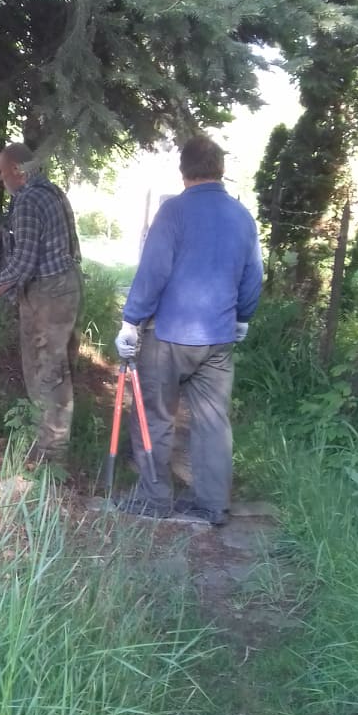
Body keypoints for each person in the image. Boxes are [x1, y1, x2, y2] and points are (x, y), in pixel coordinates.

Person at [113, 135, 263, 524]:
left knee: (155, 415)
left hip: (168, 335)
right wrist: (242, 317)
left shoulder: (174, 212)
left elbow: (154, 271)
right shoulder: (242, 216)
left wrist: (131, 321)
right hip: (218, 338)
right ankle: (213, 505)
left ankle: (154, 499)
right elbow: (253, 277)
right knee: (213, 422)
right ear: (221, 170)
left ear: (183, 172)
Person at [0, 143, 82, 464]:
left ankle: (51, 459)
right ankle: (48, 444)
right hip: (65, 287)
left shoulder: (29, 200)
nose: (0, 178)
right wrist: (2, 230)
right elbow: (36, 234)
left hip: (48, 294)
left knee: (47, 371)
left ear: (17, 170)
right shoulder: (49, 191)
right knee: (55, 367)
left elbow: (25, 260)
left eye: (2, 172)